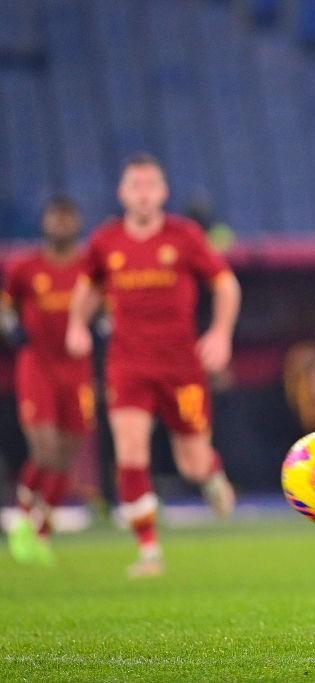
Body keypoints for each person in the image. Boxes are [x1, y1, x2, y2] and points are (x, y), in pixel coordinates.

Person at [65, 154, 242, 578]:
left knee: (192, 462)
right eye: (135, 186)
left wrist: (219, 334)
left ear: (163, 193)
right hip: (128, 364)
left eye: (150, 186)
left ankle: (212, 474)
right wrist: (76, 325)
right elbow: (87, 287)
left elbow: (225, 284)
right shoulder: (106, 242)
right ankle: (148, 551)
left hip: (181, 367)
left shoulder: (184, 236)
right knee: (130, 451)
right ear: (122, 193)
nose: (143, 194)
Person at [1, 196, 97, 565]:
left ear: (76, 224)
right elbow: (6, 305)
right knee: (43, 449)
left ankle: (42, 534)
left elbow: (106, 304)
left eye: (66, 219)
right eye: (54, 219)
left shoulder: (89, 268)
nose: (60, 225)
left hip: (77, 370)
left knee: (64, 457)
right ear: (44, 223)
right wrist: (11, 328)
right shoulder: (26, 267)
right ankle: (23, 518)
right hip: (37, 365)